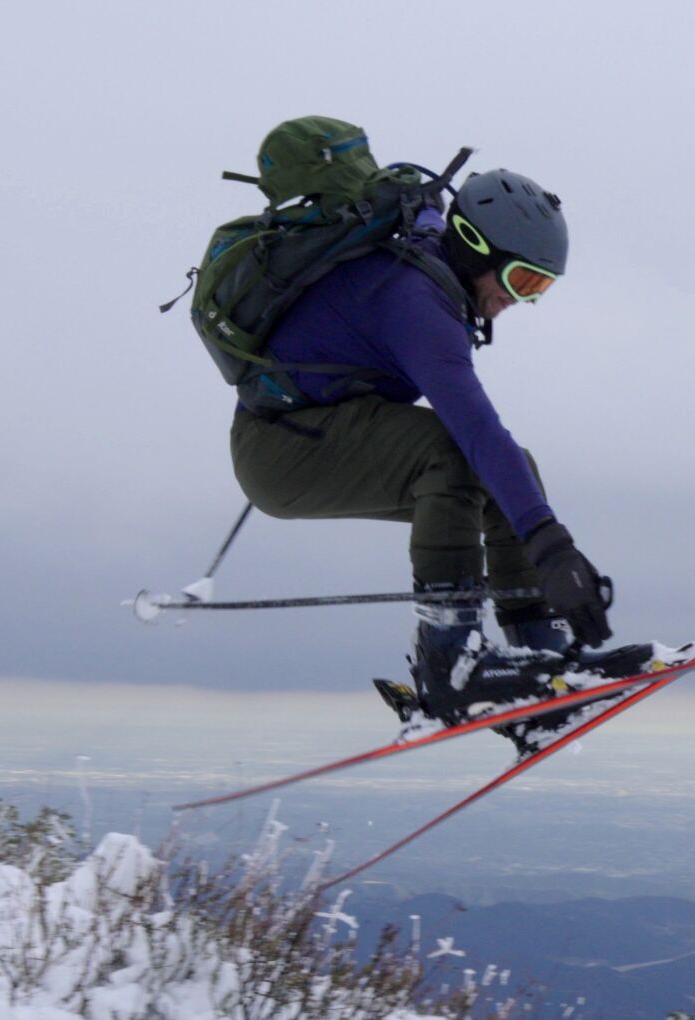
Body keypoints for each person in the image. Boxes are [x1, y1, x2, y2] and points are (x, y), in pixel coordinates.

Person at [227, 168, 653, 750]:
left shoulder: (433, 257)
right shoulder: (416, 303)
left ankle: (542, 664)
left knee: (512, 470)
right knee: (455, 458)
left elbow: (438, 217)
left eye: (541, 289)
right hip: (281, 452)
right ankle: (451, 663)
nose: (522, 301)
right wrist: (551, 546)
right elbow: (475, 429)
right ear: (478, 248)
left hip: (315, 430)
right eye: (523, 279)